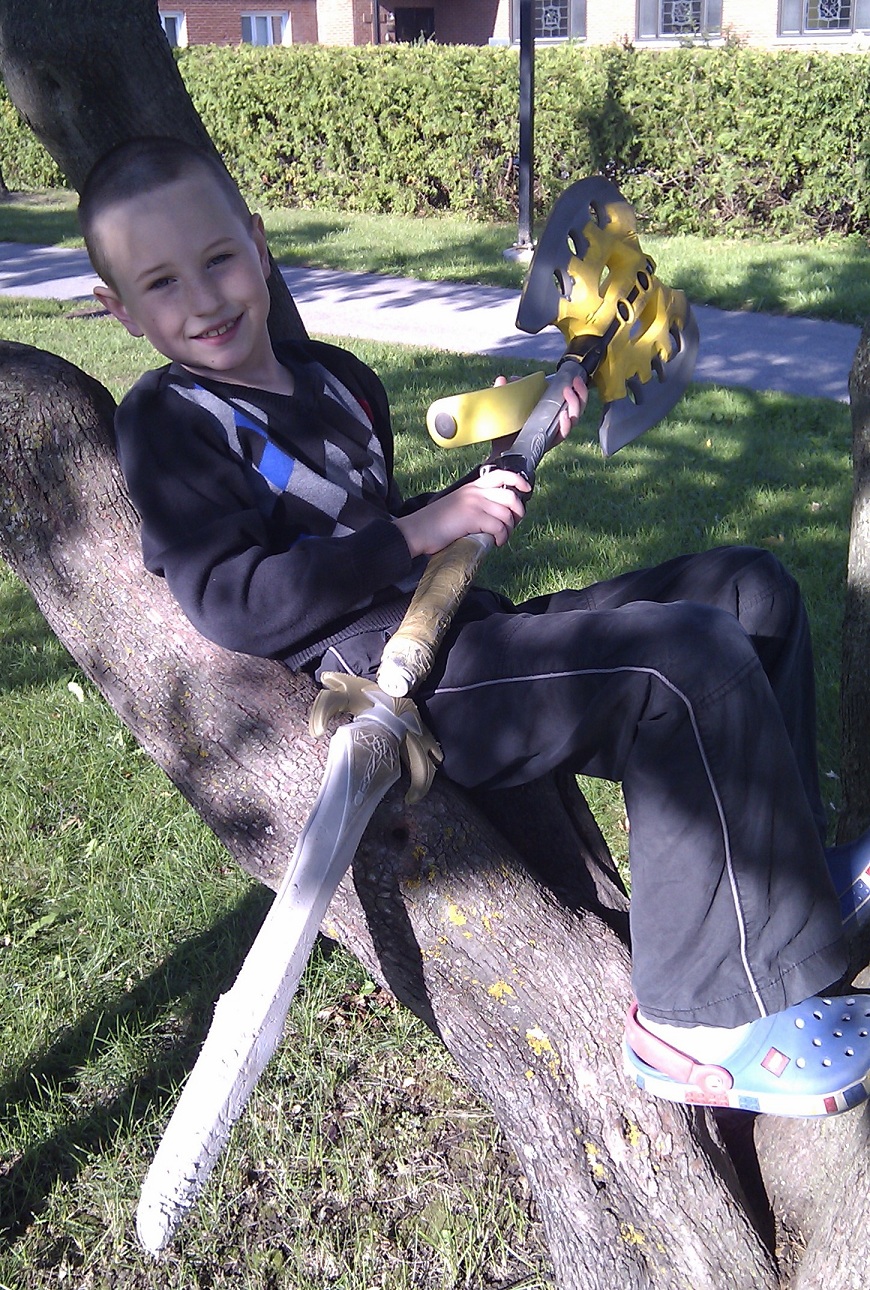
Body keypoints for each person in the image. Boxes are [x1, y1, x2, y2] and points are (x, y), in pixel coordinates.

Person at [79, 136, 870, 1119]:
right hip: (399, 680)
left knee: (748, 593)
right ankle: (696, 1025)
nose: (203, 299)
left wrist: (490, 476)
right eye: (161, 283)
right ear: (119, 308)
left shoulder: (337, 381)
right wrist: (420, 529)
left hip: (459, 630)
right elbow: (235, 599)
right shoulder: (172, 422)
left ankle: (784, 889)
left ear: (258, 241)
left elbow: (372, 533)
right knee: (681, 667)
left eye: (218, 259)